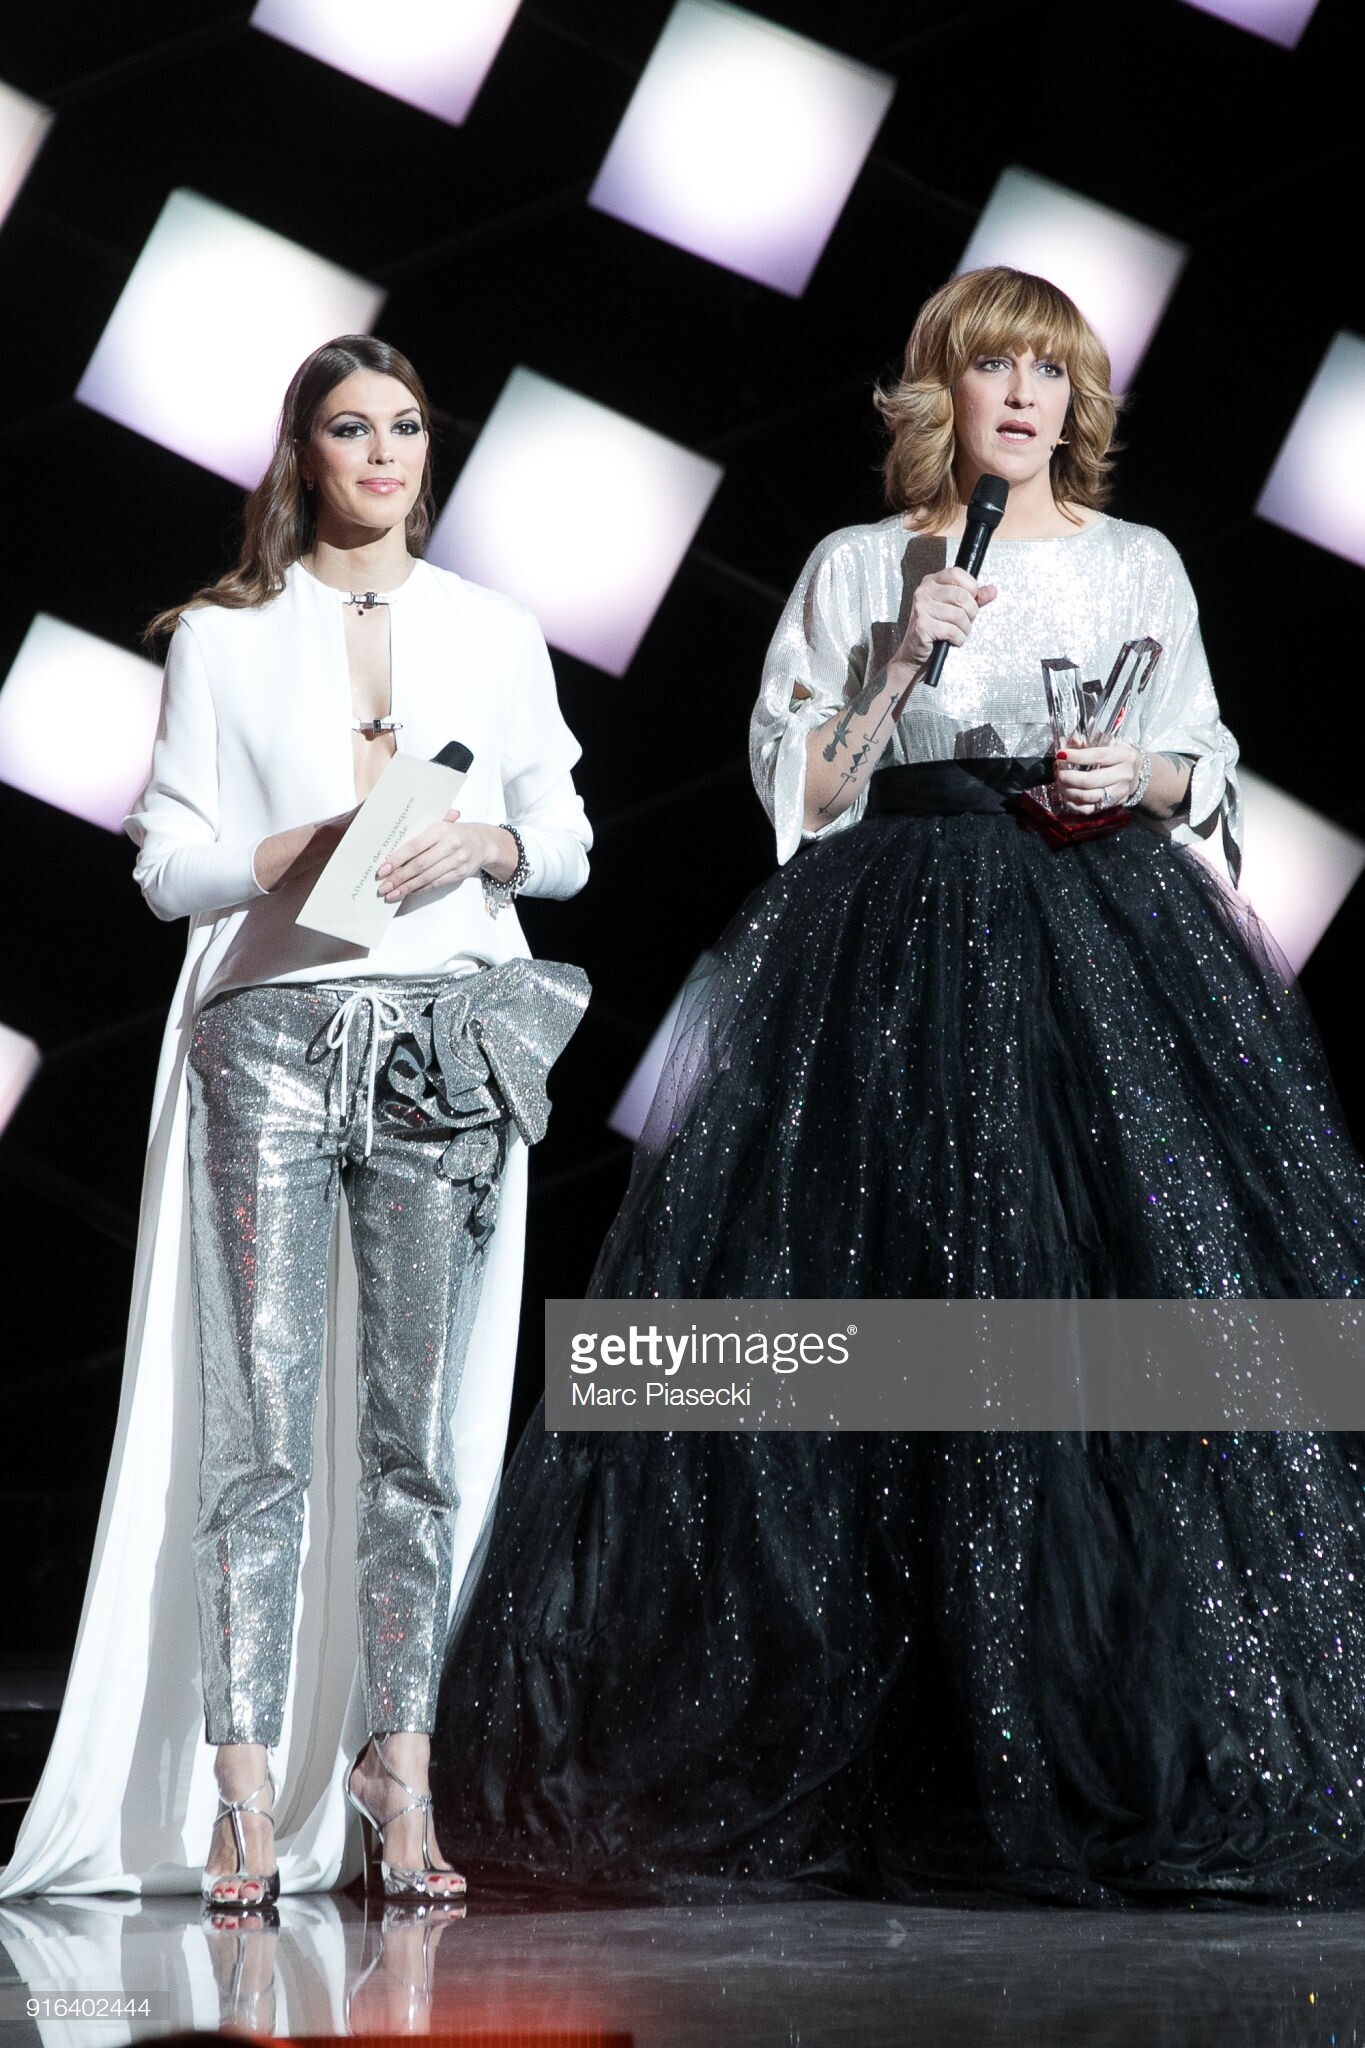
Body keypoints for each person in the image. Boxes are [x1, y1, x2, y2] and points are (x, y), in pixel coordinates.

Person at [432, 269, 1365, 1904]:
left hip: (1096, 932)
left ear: (1078, 403)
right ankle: (883, 1731)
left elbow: (1200, 754)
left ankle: (1097, 1722)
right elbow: (801, 789)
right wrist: (891, 663)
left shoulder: (1138, 560)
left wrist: (1137, 772)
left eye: (1050, 374)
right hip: (896, 943)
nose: (1024, 398)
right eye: (995, 368)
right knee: (862, 1322)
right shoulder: (861, 563)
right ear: (942, 390)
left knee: (1107, 1324)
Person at [0, 335, 590, 1904]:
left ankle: (401, 1774)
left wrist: (485, 842)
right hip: (269, 1029)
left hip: (441, 1039)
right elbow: (162, 867)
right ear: (301, 453)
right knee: (259, 1432)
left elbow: (569, 839)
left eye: (404, 426)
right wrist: (282, 853)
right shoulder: (223, 636)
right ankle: (243, 1786)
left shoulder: (493, 629)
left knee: (412, 1437)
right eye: (349, 427)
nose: (382, 452)